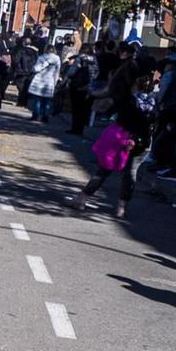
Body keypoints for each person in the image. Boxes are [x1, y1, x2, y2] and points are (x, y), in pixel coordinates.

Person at [70, 56, 161, 219]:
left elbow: (107, 108)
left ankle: (82, 198)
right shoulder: (154, 97)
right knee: (130, 173)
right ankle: (121, 208)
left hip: (122, 137)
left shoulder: (125, 95)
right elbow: (155, 120)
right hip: (143, 140)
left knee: (104, 169)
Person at [63, 36, 96, 136]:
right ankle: (80, 129)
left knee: (76, 108)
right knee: (84, 109)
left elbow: (72, 72)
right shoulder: (95, 60)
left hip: (77, 86)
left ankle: (75, 128)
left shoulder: (79, 59)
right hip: (89, 86)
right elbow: (96, 72)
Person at [27, 43, 61, 122]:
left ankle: (35, 115)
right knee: (47, 101)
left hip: (39, 81)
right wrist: (55, 82)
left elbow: (36, 69)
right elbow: (57, 72)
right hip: (50, 81)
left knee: (37, 99)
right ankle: (45, 117)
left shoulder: (42, 57)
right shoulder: (57, 59)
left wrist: (40, 66)